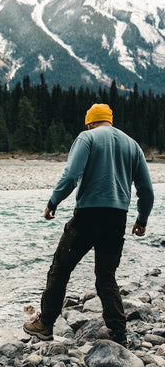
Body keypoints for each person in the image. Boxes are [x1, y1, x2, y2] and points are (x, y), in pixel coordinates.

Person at [23, 103, 154, 347]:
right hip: (117, 219)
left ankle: (45, 324)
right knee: (106, 277)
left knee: (60, 269)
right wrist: (142, 219)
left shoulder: (87, 138)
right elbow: (146, 189)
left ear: (90, 122)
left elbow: (71, 175)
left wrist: (53, 202)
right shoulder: (132, 144)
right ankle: (118, 334)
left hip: (87, 217)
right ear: (110, 121)